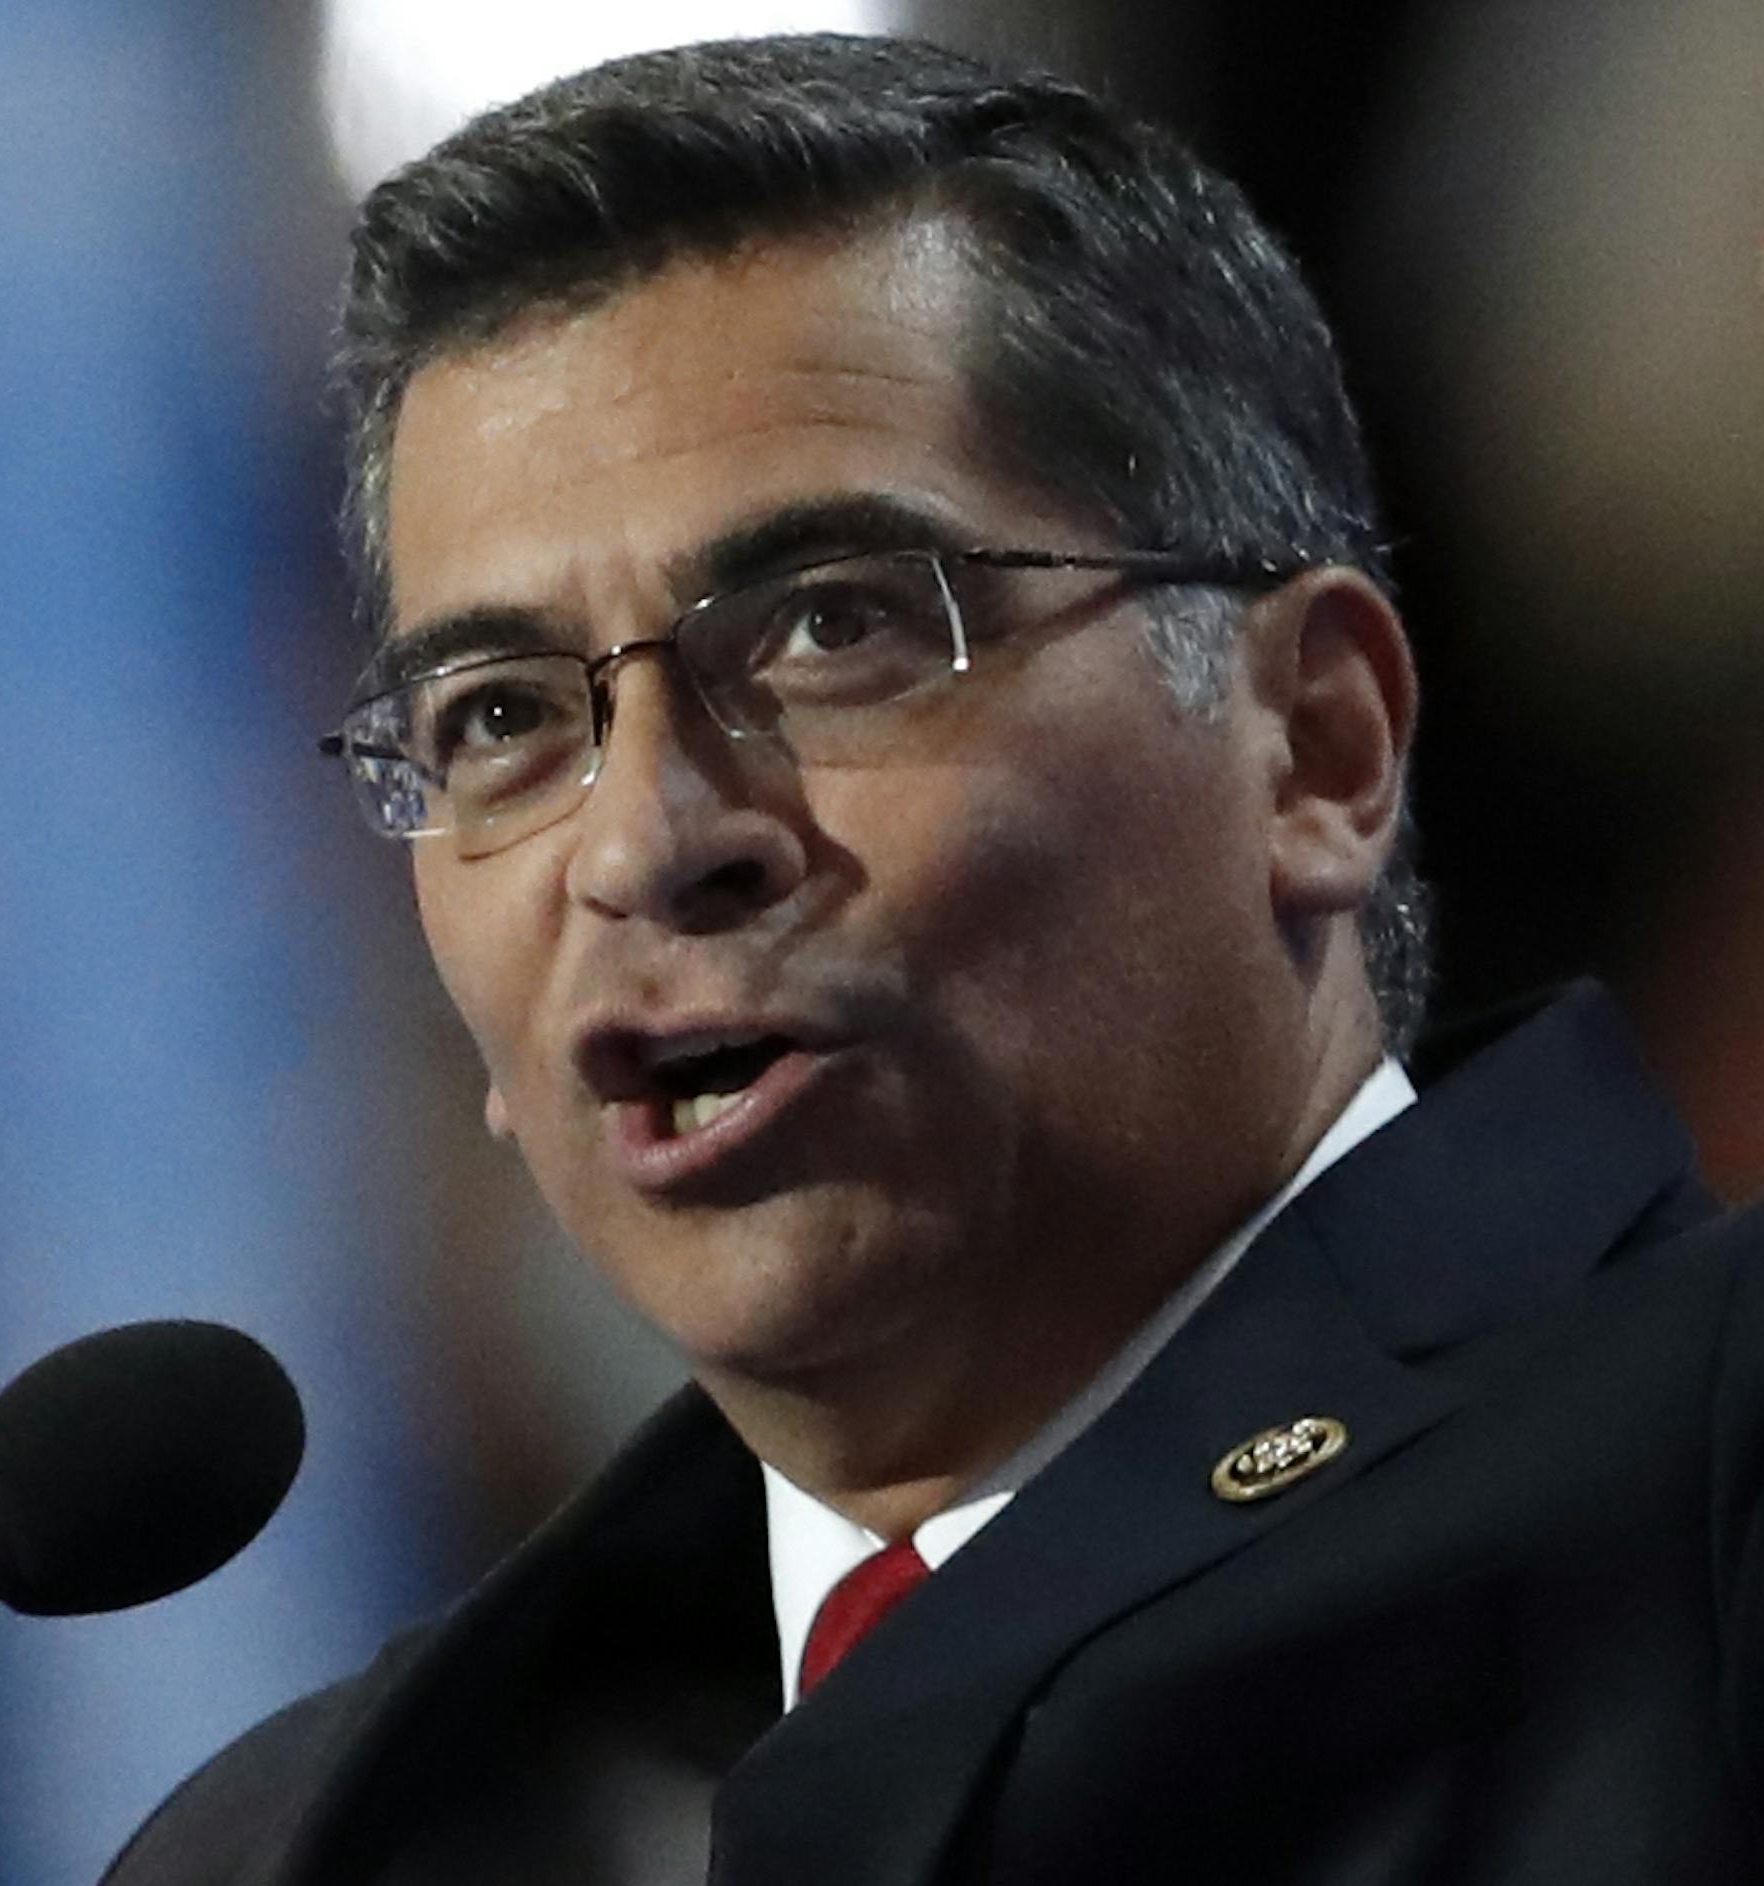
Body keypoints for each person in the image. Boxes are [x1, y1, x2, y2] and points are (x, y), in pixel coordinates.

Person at [103, 34, 1764, 1883]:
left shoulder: (1702, 1493)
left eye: (832, 627)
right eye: (500, 718)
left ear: (1314, 745)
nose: (648, 839)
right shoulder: (295, 1844)